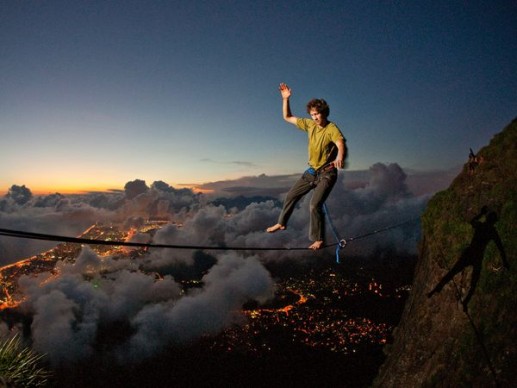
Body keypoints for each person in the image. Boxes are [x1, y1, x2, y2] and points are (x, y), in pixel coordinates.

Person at [266, 83, 347, 250]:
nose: (315, 118)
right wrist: (286, 99)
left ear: (324, 113)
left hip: (327, 174)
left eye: (317, 114)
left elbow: (340, 142)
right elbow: (287, 117)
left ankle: (319, 239)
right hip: (311, 172)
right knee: (290, 196)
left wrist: (340, 156)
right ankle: (281, 223)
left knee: (314, 205)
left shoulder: (331, 128)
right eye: (312, 115)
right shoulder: (310, 125)